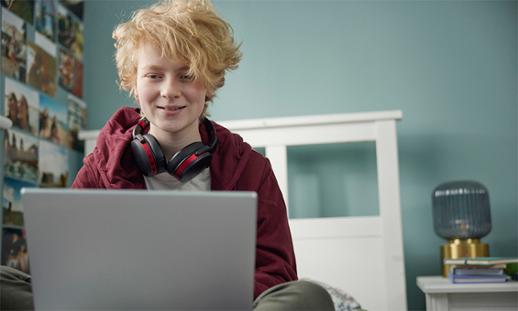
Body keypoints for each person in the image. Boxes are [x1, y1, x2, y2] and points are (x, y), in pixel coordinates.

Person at [1, 1, 335, 310]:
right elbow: (61, 260)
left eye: (187, 75)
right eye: (154, 75)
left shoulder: (253, 170)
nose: (169, 90)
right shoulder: (102, 163)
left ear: (210, 81)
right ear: (134, 81)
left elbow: (277, 272)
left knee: (309, 296)